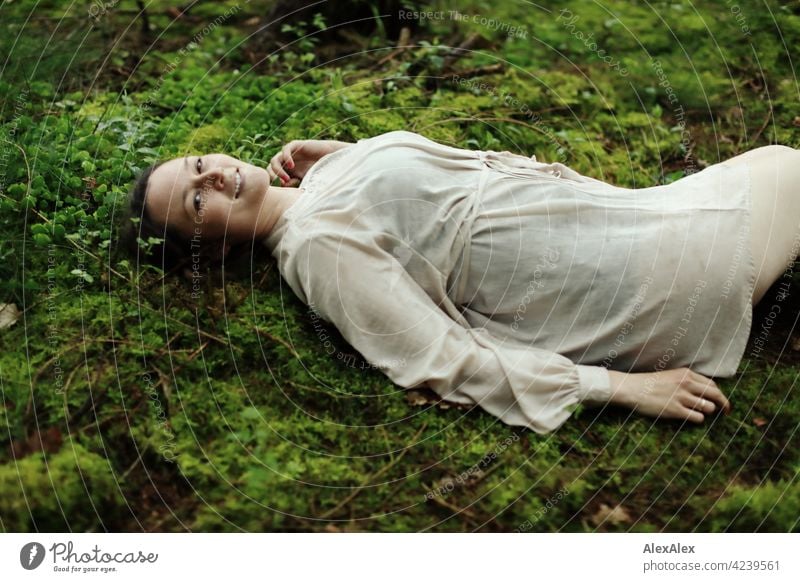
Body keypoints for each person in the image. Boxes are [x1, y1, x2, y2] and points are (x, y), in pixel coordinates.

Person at [119, 130, 800, 434]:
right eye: (197, 201)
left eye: (200, 162)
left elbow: (411, 207)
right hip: (621, 277)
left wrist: (347, 157)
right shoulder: (316, 252)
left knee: (780, 167)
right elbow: (441, 358)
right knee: (788, 177)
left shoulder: (318, 186)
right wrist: (622, 388)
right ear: (205, 245)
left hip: (616, 218)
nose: (213, 176)